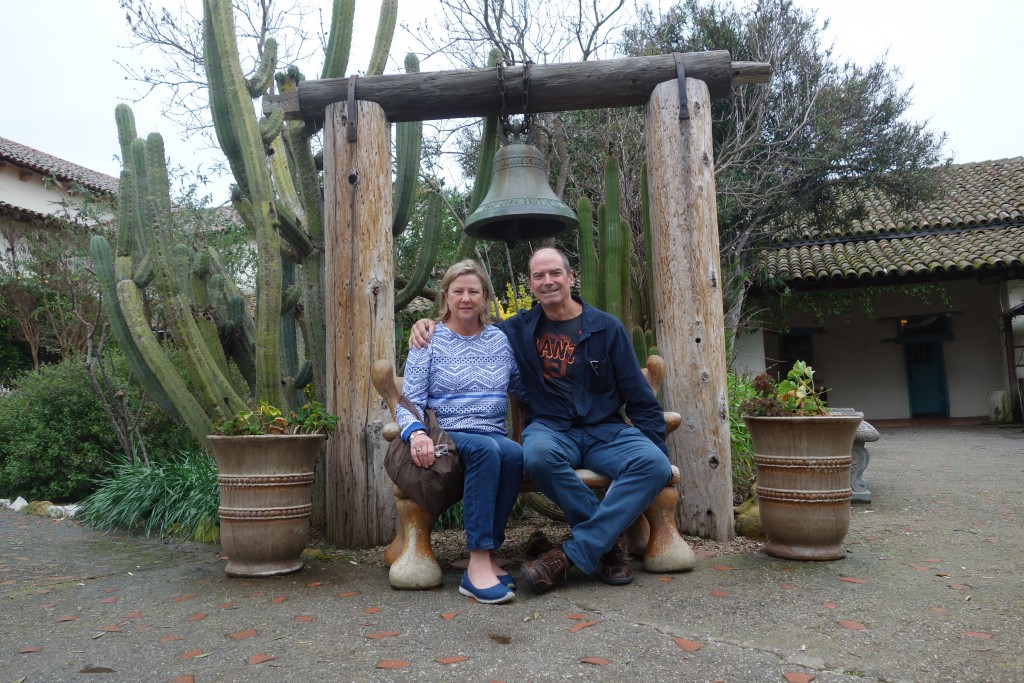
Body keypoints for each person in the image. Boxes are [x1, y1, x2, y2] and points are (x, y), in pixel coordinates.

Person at [410, 247, 672, 595]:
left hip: (605, 431)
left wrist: (652, 445)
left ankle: (574, 553)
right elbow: (466, 326)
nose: (547, 281)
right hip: (551, 429)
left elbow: (640, 397)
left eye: (555, 273)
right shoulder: (515, 331)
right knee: (534, 457)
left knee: (655, 464)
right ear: (531, 284)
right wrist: (425, 323)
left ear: (570, 277)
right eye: (538, 276)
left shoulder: (607, 329)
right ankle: (610, 544)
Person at [397, 259, 526, 604]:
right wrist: (417, 434)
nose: (466, 298)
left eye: (474, 291)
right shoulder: (429, 338)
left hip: (491, 432)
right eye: (459, 291)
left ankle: (489, 554)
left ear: (484, 296)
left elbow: (522, 386)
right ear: (446, 296)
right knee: (486, 450)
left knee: (513, 453)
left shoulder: (499, 340)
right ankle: (477, 564)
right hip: (448, 433)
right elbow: (408, 400)